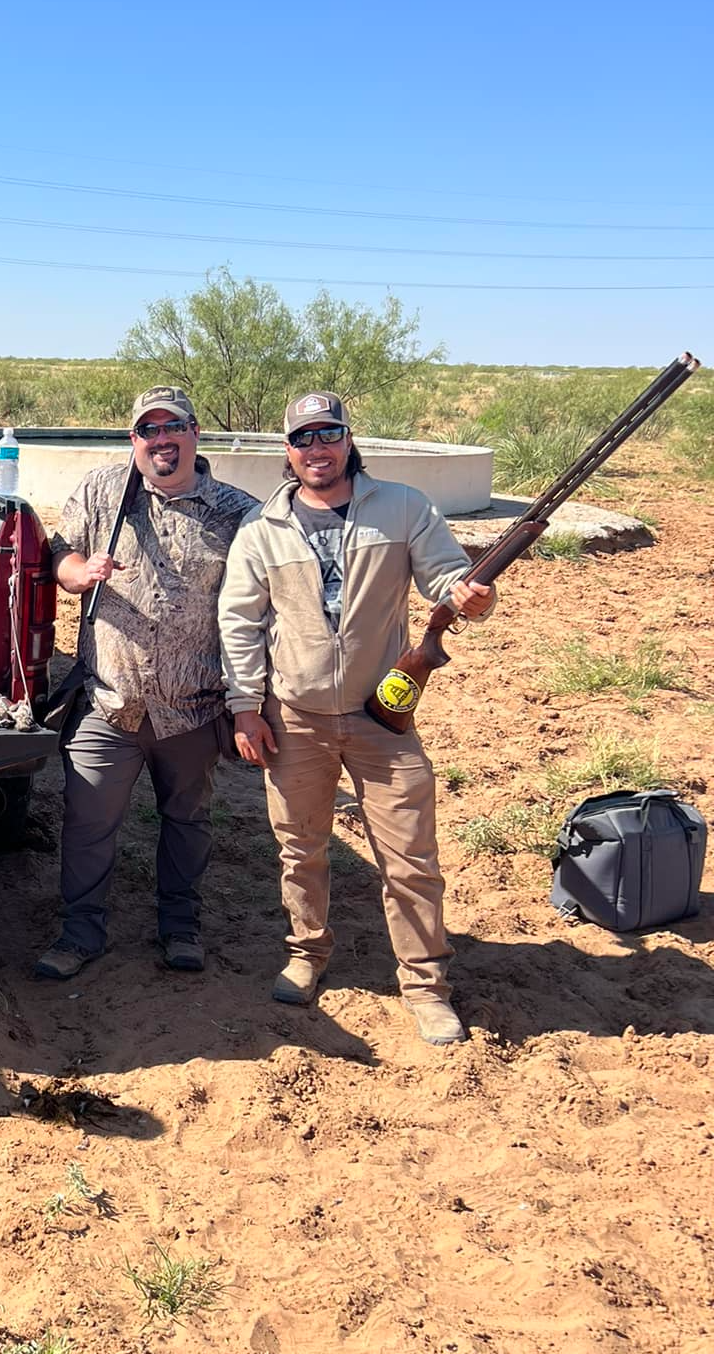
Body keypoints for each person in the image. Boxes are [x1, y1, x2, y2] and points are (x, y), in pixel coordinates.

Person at [218, 391, 493, 1045]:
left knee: (411, 858)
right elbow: (239, 624)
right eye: (304, 438)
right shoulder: (262, 531)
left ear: (348, 440)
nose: (317, 448)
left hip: (382, 716)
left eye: (329, 434)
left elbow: (448, 579)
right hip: (294, 718)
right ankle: (307, 955)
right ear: (288, 451)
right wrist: (245, 707)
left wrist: (470, 597)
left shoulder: (402, 507)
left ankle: (426, 985)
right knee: (300, 850)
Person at [36, 386, 257, 979]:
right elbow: (62, 554)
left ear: (195, 433)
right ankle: (81, 932)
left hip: (192, 706)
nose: (161, 440)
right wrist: (80, 574)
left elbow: (262, 605)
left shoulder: (238, 512)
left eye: (173, 427)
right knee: (86, 821)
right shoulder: (102, 490)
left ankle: (180, 927)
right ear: (135, 440)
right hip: (110, 699)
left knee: (187, 822)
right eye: (147, 431)